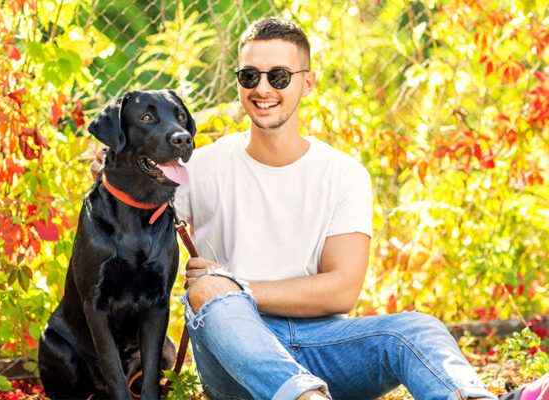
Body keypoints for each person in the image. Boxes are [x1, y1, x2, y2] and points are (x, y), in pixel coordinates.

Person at [92, 17, 549, 400]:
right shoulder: (196, 167)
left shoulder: (343, 173)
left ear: (306, 82)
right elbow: (125, 216)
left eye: (279, 76)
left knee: (417, 327)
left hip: (323, 345)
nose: (263, 88)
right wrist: (117, 163)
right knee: (208, 296)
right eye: (250, 76)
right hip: (233, 355)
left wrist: (237, 284)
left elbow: (341, 291)